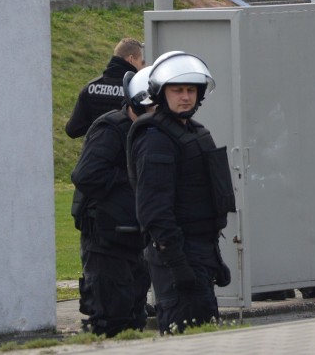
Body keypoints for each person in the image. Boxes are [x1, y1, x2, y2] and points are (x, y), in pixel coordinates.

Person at [127, 51, 235, 334]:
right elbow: (154, 208)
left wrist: (214, 258)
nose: (185, 96)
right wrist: (177, 263)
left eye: (191, 90)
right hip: (177, 254)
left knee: (205, 333)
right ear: (162, 93)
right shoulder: (156, 140)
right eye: (178, 90)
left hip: (201, 251)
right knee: (184, 335)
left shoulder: (194, 132)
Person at [70, 65, 155, 337]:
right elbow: (85, 176)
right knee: (110, 318)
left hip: (134, 236)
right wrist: (133, 176)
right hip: (106, 239)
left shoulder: (147, 131)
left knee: (135, 313)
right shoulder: (112, 129)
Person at [65, 38, 145, 139]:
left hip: (95, 150)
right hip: (127, 152)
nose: (143, 67)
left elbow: (72, 130)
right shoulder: (135, 90)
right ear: (131, 59)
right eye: (142, 62)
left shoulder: (90, 88)